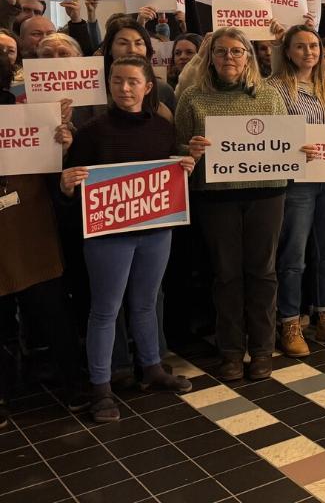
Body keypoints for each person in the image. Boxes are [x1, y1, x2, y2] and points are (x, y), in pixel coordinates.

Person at [60, 56, 195, 422]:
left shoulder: (163, 129)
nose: (124, 88)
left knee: (146, 303)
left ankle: (151, 367)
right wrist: (67, 185)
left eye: (133, 81)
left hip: (155, 231)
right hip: (108, 236)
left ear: (148, 87)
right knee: (105, 310)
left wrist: (185, 166)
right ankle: (100, 388)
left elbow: (170, 175)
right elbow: (71, 184)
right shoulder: (92, 131)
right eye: (117, 81)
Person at [174, 27, 299, 382]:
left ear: (248, 57)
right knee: (226, 275)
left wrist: (299, 150)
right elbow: (178, 146)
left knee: (263, 273)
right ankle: (230, 351)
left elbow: (283, 144)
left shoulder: (269, 96)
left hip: (266, 194)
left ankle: (261, 349)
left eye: (236, 51)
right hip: (216, 197)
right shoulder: (193, 97)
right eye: (221, 52)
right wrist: (190, 151)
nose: (229, 58)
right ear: (209, 57)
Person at [0, 52, 86, 423]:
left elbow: (57, 175)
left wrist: (61, 143)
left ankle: (75, 385)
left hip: (30, 218)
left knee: (51, 309)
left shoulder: (25, 109)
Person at [267, 24, 325, 357]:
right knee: (293, 256)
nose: (309, 53)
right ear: (287, 51)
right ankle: (289, 322)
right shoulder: (273, 89)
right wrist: (292, 147)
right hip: (296, 180)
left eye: (314, 47)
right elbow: (268, 139)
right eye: (301, 47)